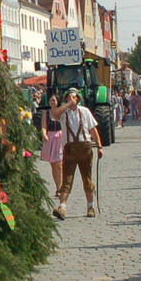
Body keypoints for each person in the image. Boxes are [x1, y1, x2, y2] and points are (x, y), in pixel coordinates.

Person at [54, 88, 101, 220]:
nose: (71, 99)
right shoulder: (63, 113)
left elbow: (92, 129)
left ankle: (90, 206)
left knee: (87, 178)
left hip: (84, 147)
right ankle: (62, 207)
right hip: (69, 148)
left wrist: (99, 145)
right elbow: (55, 115)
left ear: (78, 98)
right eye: (68, 97)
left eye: (73, 97)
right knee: (67, 178)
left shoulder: (85, 111)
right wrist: (68, 104)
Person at [39, 97, 65, 194]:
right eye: (50, 100)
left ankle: (61, 187)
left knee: (59, 164)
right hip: (50, 138)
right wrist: (44, 134)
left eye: (54, 100)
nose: (52, 102)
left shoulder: (62, 112)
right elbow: (43, 126)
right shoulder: (45, 114)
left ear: (58, 101)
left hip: (60, 138)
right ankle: (58, 187)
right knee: (53, 165)